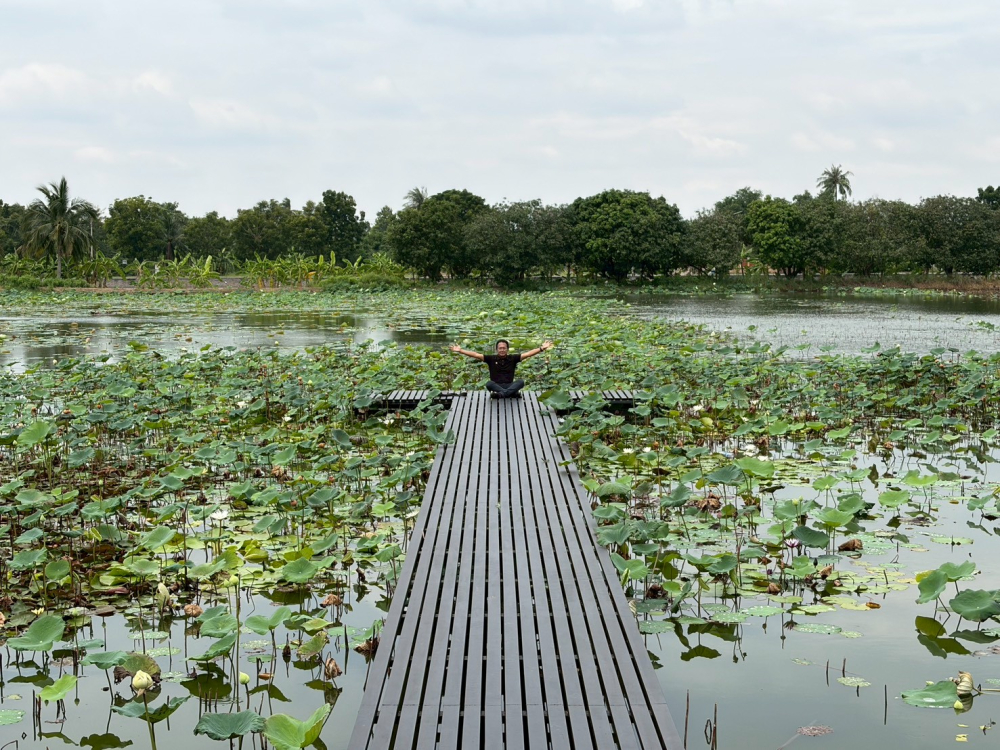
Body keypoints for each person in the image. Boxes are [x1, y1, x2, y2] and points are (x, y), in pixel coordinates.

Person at [449, 339, 554, 398]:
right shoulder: (491, 358)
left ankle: (503, 394)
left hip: (509, 384)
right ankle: (510, 393)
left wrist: (541, 348)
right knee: (489, 384)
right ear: (497, 349)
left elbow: (528, 354)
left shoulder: (513, 358)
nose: (502, 350)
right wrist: (460, 350)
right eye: (500, 348)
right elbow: (475, 354)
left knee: (521, 382)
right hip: (496, 385)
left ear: (507, 349)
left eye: (504, 348)